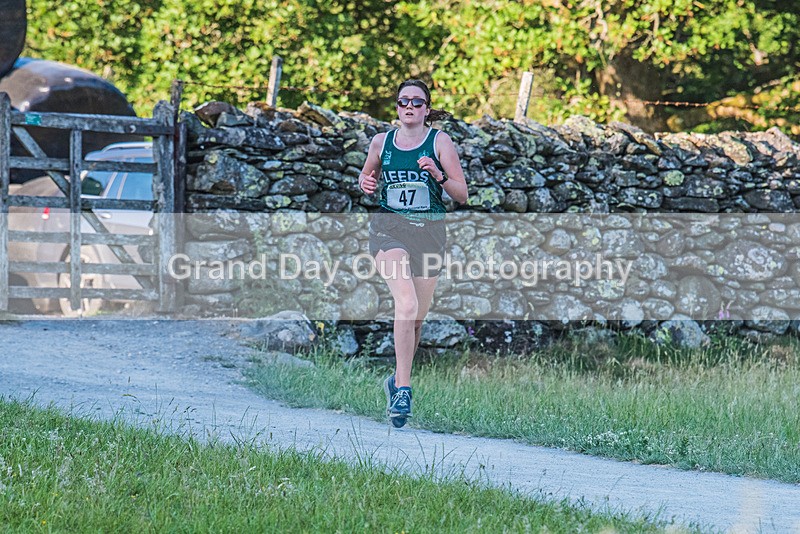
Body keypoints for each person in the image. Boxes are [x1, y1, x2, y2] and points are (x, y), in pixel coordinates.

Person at [358, 79, 469, 428]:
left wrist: (438, 175)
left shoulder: (440, 142)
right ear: (396, 107)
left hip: (429, 234)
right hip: (389, 230)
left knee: (417, 319)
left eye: (416, 102)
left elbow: (462, 194)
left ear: (426, 108)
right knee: (405, 305)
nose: (409, 106)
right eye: (403, 101)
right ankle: (404, 390)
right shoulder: (381, 142)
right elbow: (367, 176)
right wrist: (366, 182)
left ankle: (396, 379)